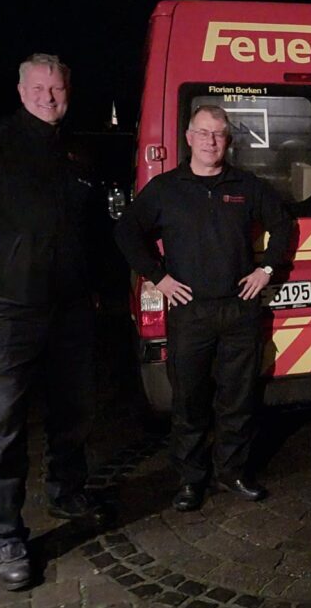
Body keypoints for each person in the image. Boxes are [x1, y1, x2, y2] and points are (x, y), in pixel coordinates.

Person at [0, 53, 107, 591]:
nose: (48, 97)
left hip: (70, 309)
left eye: (56, 89)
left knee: (73, 410)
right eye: (38, 87)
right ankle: (5, 536)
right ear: (20, 89)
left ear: (68, 91)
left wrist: (97, 288)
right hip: (7, 311)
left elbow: (92, 225)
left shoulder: (77, 150)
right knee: (6, 426)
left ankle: (67, 489)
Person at [115, 105, 292, 512]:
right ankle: (191, 482)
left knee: (238, 399)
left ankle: (232, 472)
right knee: (189, 403)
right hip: (190, 313)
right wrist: (157, 276)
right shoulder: (165, 189)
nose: (211, 141)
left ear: (227, 140)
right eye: (204, 133)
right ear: (189, 138)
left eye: (219, 134)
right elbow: (126, 232)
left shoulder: (245, 185)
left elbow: (282, 224)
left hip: (239, 310)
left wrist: (266, 269)